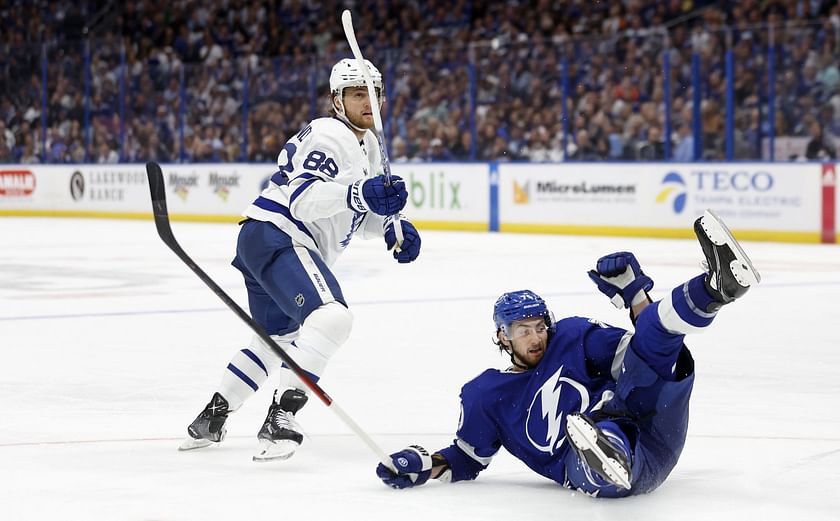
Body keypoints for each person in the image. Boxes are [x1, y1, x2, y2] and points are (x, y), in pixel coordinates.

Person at [375, 209, 760, 497]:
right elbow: (466, 459)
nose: (536, 337)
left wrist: (635, 297)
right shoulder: (485, 394)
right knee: (592, 442)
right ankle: (607, 451)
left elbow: (643, 353)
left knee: (658, 333)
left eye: (540, 326)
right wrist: (425, 464)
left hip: (653, 423)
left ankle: (718, 287)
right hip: (604, 467)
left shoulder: (572, 335)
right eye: (523, 331)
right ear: (502, 337)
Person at [180, 58, 422, 462]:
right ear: (337, 100)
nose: (368, 102)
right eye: (357, 93)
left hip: (262, 237)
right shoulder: (331, 135)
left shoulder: (371, 146)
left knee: (276, 340)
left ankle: (213, 416)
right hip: (282, 235)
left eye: (373, 93)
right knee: (331, 318)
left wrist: (389, 230)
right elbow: (304, 200)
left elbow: (353, 216)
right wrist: (361, 193)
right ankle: (282, 416)